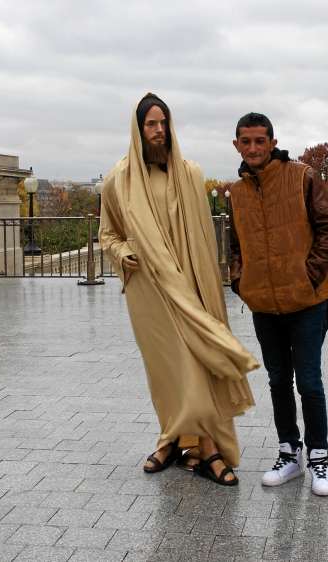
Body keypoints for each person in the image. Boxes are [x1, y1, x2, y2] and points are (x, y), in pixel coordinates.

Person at [98, 94, 258, 486]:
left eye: (163, 123)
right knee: (166, 371)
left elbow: (203, 240)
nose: (158, 131)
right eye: (150, 124)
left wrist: (207, 287)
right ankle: (171, 439)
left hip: (190, 285)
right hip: (148, 290)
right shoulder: (118, 179)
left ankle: (208, 449)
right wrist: (122, 252)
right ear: (138, 130)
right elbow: (108, 232)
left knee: (195, 365)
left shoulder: (190, 173)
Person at [227, 112, 328, 496]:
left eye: (261, 140)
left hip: (307, 301)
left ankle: (319, 459)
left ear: (273, 143)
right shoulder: (237, 193)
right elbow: (236, 247)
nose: (254, 147)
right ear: (237, 145)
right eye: (246, 141)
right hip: (264, 305)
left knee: (309, 383)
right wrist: (241, 281)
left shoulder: (303, 176)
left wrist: (308, 274)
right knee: (278, 381)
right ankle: (288, 453)